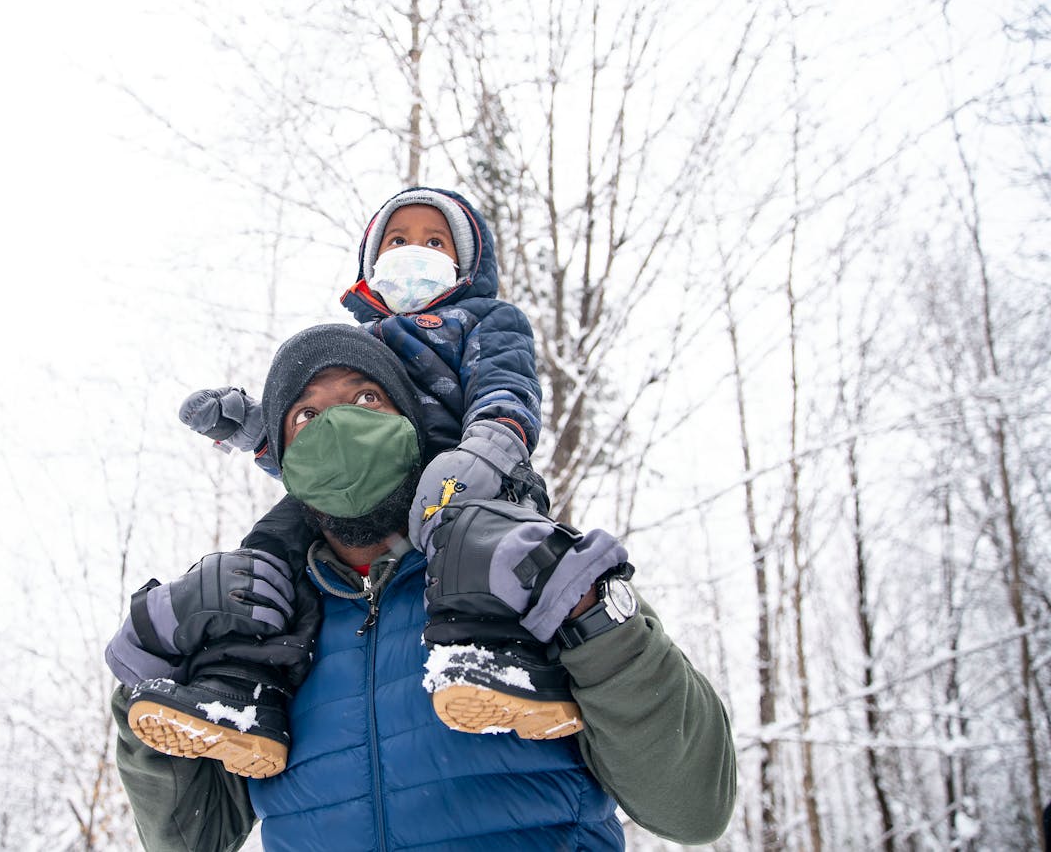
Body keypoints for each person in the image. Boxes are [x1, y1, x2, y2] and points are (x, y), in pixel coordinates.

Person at [105, 323, 737, 851]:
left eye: (367, 399)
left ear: (411, 423)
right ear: (282, 459)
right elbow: (190, 838)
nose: (339, 426)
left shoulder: (520, 574)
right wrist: (155, 663)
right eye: (307, 414)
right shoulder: (264, 636)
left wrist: (591, 611)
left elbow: (692, 805)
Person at [170, 188, 565, 761]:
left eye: (435, 242)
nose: (414, 252)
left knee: (471, 541)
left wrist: (488, 448)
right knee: (274, 544)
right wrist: (257, 429)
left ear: (467, 263)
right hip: (379, 490)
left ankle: (496, 661)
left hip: (470, 479)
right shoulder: (361, 343)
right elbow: (332, 448)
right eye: (398, 241)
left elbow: (507, 386)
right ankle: (242, 687)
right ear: (371, 265)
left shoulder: (486, 319)